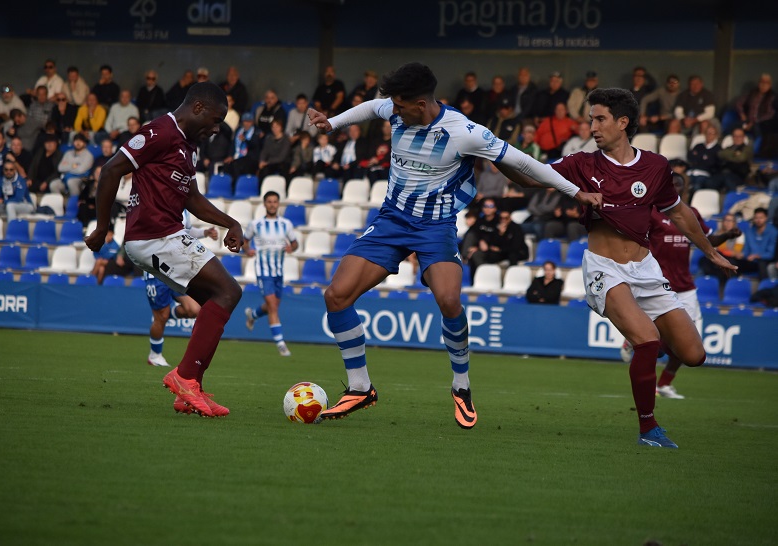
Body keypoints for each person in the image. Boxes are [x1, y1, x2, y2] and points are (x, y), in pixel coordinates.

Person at [306, 62, 601, 428]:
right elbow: (370, 107)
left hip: (435, 227)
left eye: (399, 106)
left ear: (420, 104)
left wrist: (576, 192)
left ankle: (461, 385)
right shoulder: (396, 109)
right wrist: (332, 122)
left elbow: (525, 162)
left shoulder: (464, 132)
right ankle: (360, 387)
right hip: (391, 221)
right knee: (336, 296)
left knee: (448, 301)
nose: (392, 112)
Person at [536, 87, 736, 448]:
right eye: (591, 120)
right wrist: (496, 153)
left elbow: (679, 213)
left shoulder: (656, 166)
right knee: (647, 341)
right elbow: (534, 176)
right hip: (604, 268)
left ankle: (640, 337)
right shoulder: (582, 163)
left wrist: (709, 251)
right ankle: (648, 428)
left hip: (645, 269)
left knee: (694, 355)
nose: (593, 127)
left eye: (600, 119)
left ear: (622, 122)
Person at [85, 81, 245, 419]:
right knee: (229, 291)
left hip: (166, 235)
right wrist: (101, 227)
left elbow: (192, 199)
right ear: (198, 108)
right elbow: (111, 169)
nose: (217, 129)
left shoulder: (189, 146)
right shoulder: (159, 132)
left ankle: (189, 389)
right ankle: (185, 378)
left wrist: (231, 222)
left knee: (218, 300)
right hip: (153, 236)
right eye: (216, 120)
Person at [622, 173, 742, 399]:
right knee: (657, 341)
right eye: (671, 184)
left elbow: (707, 240)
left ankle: (664, 384)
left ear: (685, 189)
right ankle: (635, 343)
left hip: (685, 287)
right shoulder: (652, 212)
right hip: (657, 284)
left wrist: (727, 235)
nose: (675, 188)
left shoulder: (690, 213)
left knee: (688, 340)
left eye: (679, 185)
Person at [145, 210, 214, 367]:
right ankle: (155, 355)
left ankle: (164, 315)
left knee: (194, 309)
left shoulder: (184, 209)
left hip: (176, 270)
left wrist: (205, 233)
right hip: (156, 269)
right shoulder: (156, 206)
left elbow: (186, 231)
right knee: (161, 316)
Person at [243, 191, 299, 356]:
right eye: (269, 201)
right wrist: (247, 250)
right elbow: (244, 240)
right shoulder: (256, 224)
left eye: (275, 201)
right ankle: (281, 344)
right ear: (264, 204)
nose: (272, 204)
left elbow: (295, 243)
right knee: (273, 307)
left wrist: (291, 248)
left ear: (278, 204)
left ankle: (252, 315)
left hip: (278, 272)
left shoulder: (285, 224)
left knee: (272, 306)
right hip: (263, 271)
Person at [735, 73, 775, 137]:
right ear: (758, 83)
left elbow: (770, 114)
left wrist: (754, 122)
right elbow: (739, 103)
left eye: (766, 83)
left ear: (770, 85)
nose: (763, 85)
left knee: (757, 128)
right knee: (735, 126)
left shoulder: (772, 97)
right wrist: (742, 114)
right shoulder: (752, 93)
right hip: (747, 120)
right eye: (762, 82)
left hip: (761, 123)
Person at [227, 112, 261, 179]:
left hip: (250, 157)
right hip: (237, 156)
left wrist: (245, 140)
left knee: (237, 165)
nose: (247, 123)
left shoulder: (256, 132)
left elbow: (255, 145)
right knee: (227, 164)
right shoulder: (239, 131)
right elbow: (233, 144)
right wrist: (230, 155)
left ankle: (238, 183)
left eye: (249, 121)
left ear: (252, 122)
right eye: (245, 121)